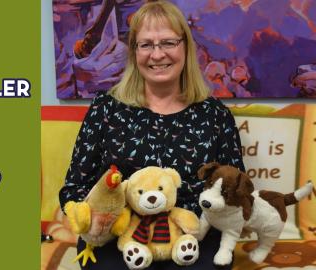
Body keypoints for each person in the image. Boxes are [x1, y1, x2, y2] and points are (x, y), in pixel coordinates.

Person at [59, 1, 245, 269]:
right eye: (146, 44)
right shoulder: (106, 108)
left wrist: (196, 219)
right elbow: (74, 188)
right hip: (119, 239)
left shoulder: (215, 115)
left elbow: (234, 191)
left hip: (193, 239)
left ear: (185, 47)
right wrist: (93, 215)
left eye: (168, 43)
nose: (157, 55)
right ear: (134, 52)